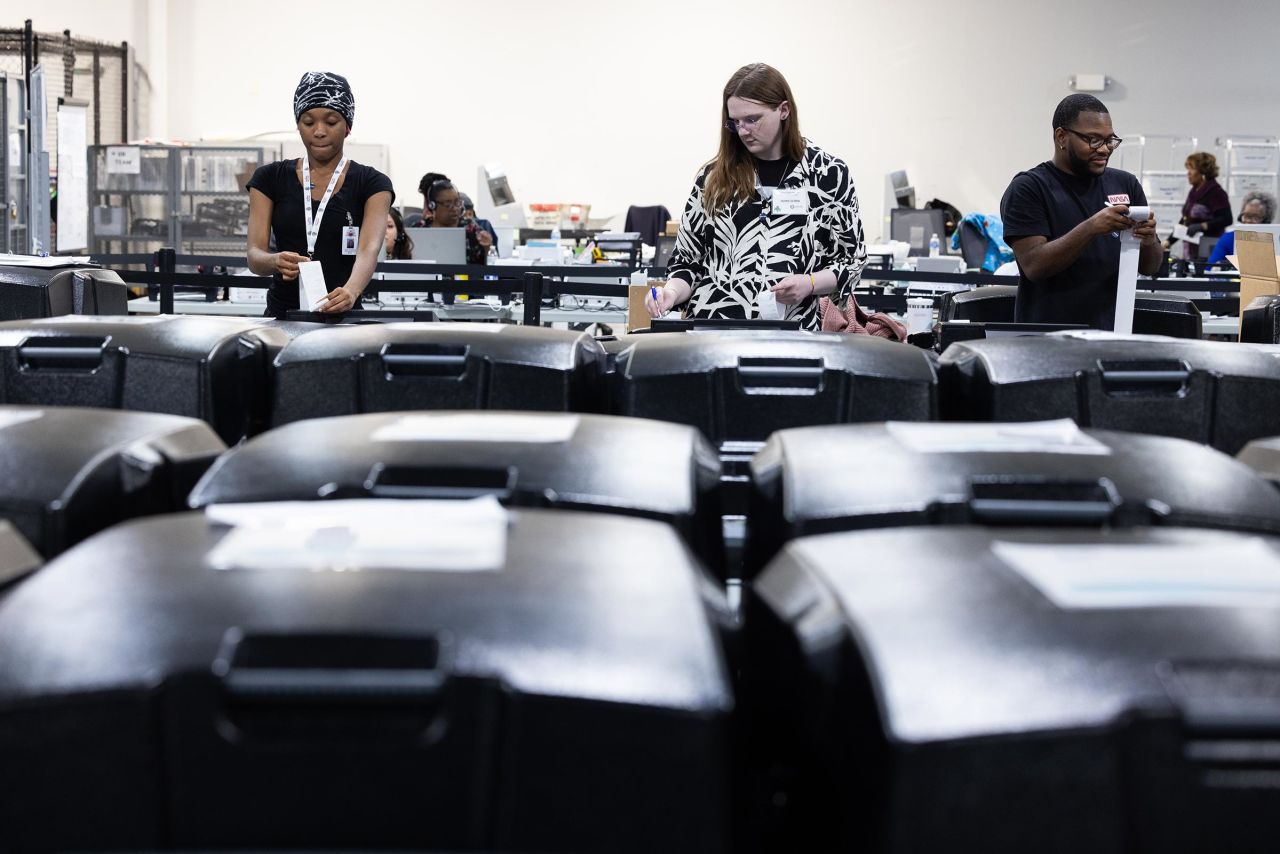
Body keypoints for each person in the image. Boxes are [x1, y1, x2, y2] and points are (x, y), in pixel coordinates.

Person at [646, 62, 867, 328]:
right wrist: (670, 292)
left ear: (783, 110)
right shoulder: (713, 178)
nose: (743, 131)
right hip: (713, 328)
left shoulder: (828, 175)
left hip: (790, 332)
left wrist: (809, 284)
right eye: (735, 122)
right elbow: (687, 262)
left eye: (752, 119)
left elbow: (851, 262)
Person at [1000, 94, 1162, 329]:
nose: (1105, 149)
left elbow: (1151, 267)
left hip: (1113, 334)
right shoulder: (1029, 188)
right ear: (1061, 136)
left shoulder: (1125, 184)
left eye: (1110, 140)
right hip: (1046, 339)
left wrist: (1148, 241)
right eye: (1093, 140)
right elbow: (1034, 266)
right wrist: (1091, 228)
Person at [246, 71, 393, 318]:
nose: (319, 131)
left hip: (345, 318)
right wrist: (274, 261)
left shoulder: (373, 183)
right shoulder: (269, 179)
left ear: (347, 127)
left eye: (331, 121)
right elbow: (254, 255)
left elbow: (368, 249)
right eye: (308, 121)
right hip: (283, 316)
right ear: (298, 125)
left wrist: (351, 291)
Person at [420, 173, 493, 264]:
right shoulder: (420, 229)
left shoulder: (471, 229)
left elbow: (483, 267)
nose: (455, 208)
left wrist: (486, 249)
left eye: (457, 202)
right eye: (448, 204)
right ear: (432, 206)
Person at [1174, 152, 1232, 258]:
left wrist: (1202, 226)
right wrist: (1168, 242)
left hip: (1208, 249)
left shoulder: (1216, 192)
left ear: (1203, 172)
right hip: (1190, 248)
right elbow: (1185, 220)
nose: (1188, 173)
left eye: (1191, 169)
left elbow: (1227, 219)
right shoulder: (1193, 192)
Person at [1207, 191, 1276, 266]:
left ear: (1266, 220)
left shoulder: (1275, 241)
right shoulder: (1228, 239)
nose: (1249, 221)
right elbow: (1210, 268)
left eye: (1255, 217)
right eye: (1246, 216)